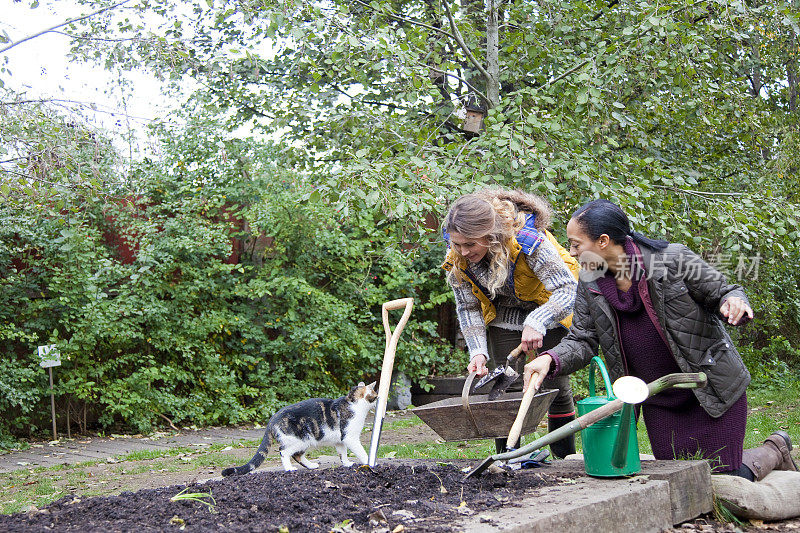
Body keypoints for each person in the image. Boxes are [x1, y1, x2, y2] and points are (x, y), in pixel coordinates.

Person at [523, 199, 798, 480]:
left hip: (709, 388)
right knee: (682, 480)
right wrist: (550, 358)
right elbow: (583, 339)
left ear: (603, 241)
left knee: (726, 478)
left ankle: (775, 450)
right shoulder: (590, 280)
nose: (571, 251)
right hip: (658, 399)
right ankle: (774, 449)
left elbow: (725, 292)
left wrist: (734, 302)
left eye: (576, 243)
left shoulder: (672, 259)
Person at [442, 188, 580, 457]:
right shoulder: (457, 255)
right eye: (457, 244)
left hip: (549, 304)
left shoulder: (530, 241)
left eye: (470, 244)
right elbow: (468, 306)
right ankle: (510, 461)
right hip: (504, 310)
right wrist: (477, 351)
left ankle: (564, 458)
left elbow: (568, 290)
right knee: (504, 388)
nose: (463, 251)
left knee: (554, 386)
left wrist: (538, 321)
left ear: (491, 235)